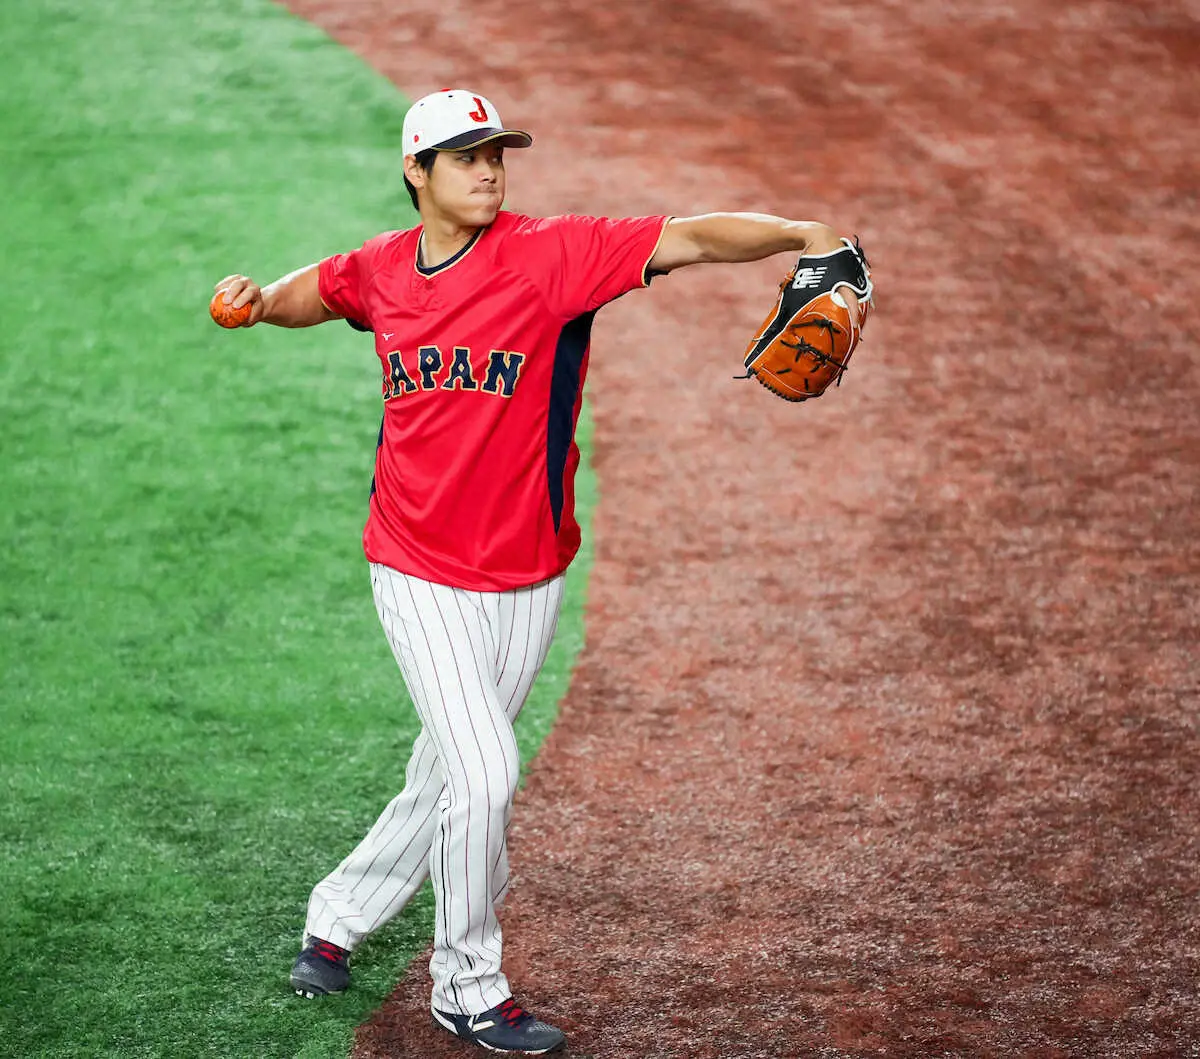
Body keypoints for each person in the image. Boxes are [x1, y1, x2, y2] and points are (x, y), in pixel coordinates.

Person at [214, 87, 860, 1056]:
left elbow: (684, 238)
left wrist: (801, 233)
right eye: (466, 155)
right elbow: (330, 287)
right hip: (414, 569)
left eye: (497, 153)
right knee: (484, 769)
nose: (488, 168)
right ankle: (465, 985)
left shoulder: (549, 257)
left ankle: (335, 918)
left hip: (527, 582)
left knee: (446, 773)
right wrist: (267, 303)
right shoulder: (386, 271)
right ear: (415, 173)